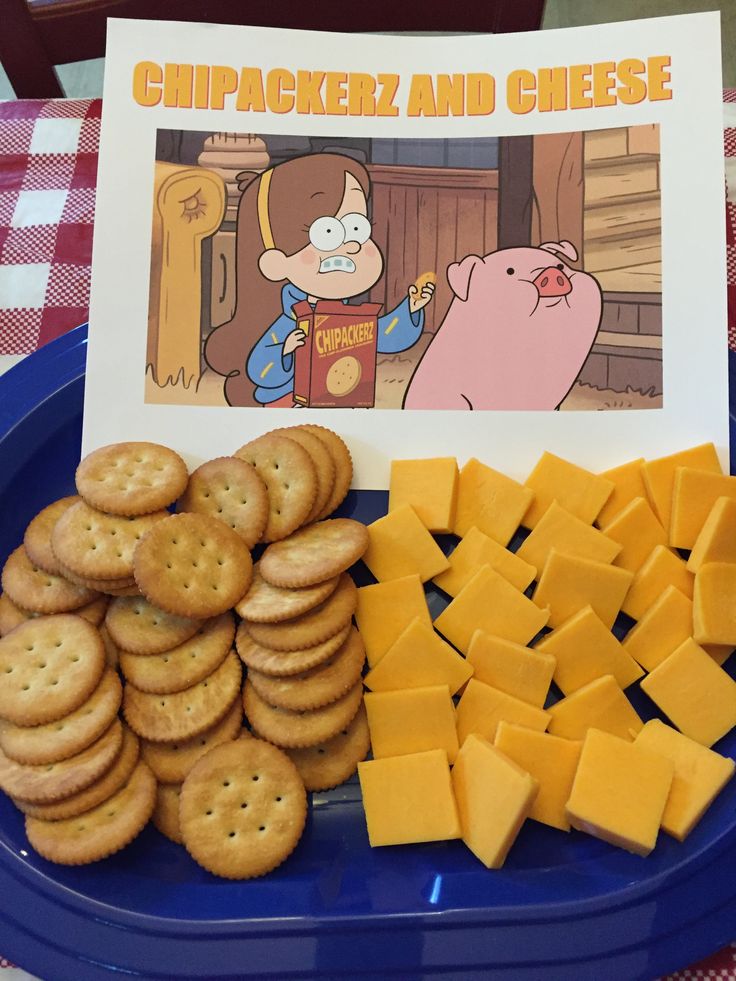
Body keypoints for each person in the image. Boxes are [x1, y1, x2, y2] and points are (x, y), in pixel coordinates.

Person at [205, 153, 434, 407]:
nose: (350, 247)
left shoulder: (348, 316)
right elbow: (262, 370)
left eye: (357, 229)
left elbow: (386, 336)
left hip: (338, 401)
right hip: (288, 403)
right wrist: (286, 349)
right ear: (276, 262)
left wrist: (411, 308)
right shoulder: (292, 318)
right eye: (328, 234)